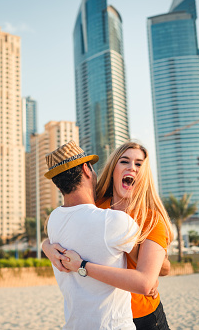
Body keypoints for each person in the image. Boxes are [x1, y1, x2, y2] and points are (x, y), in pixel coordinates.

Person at [43, 141, 174, 330]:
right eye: (125, 161)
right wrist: (47, 247)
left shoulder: (151, 220)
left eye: (139, 164)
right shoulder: (97, 208)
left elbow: (164, 269)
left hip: (144, 314)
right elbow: (65, 225)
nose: (132, 167)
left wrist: (150, 272)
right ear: (113, 168)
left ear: (145, 174)